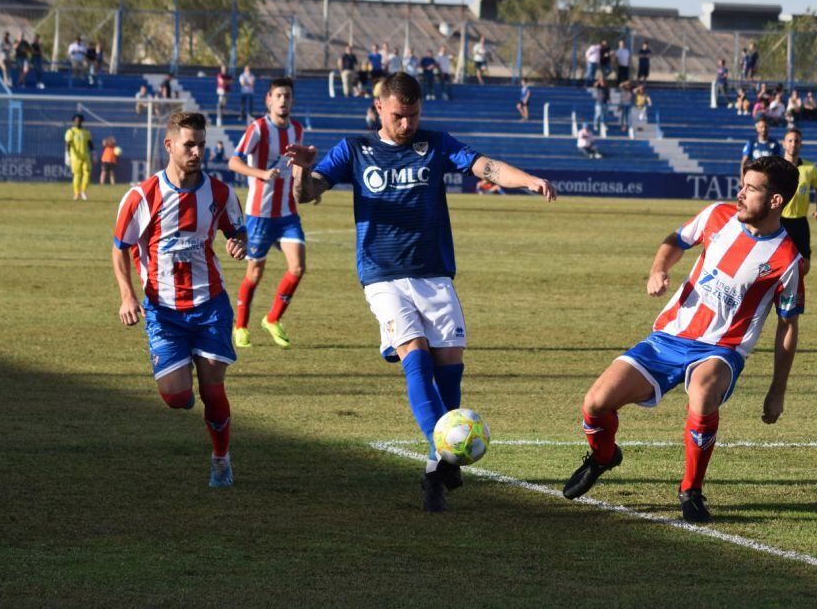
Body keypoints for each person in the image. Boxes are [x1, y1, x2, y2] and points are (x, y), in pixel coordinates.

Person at [287, 72, 557, 512]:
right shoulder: (354, 150)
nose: (406, 124)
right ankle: (449, 457)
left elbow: (486, 166)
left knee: (449, 367)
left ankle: (435, 472)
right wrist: (300, 169)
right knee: (414, 355)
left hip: (434, 276)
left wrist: (527, 179)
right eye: (398, 116)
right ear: (379, 109)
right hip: (382, 276)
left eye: (412, 116)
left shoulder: (434, 144)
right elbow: (307, 192)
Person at [562, 155, 802, 522]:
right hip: (668, 338)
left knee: (704, 391)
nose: (740, 194)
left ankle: (691, 490)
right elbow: (676, 240)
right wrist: (658, 270)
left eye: (751, 189)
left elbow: (788, 325)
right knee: (595, 403)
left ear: (775, 201)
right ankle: (604, 456)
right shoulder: (717, 216)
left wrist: (778, 390)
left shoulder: (787, 259)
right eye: (742, 185)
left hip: (722, 349)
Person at [112, 110, 247, 488]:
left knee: (213, 388)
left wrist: (239, 242)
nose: (197, 151)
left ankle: (221, 459)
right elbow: (119, 248)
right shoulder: (142, 196)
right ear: (169, 145)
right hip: (163, 311)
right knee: (175, 397)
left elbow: (237, 231)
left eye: (202, 144)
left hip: (209, 306)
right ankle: (183, 387)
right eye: (190, 144)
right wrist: (127, 296)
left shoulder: (219, 192)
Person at [228, 77, 307, 350]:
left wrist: (305, 185)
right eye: (278, 96)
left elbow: (296, 166)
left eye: (287, 96)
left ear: (293, 101)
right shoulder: (258, 128)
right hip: (259, 215)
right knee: (254, 273)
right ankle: (240, 327)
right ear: (269, 100)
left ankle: (272, 319)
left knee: (297, 267)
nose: (283, 100)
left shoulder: (297, 129)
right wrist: (261, 173)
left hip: (287, 214)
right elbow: (234, 161)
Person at [780, 128, 817, 313]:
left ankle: (791, 288)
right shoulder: (777, 167)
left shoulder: (809, 168)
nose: (793, 144)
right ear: (784, 144)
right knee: (778, 261)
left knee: (804, 265)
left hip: (800, 222)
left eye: (796, 141)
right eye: (790, 140)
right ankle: (778, 293)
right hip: (780, 222)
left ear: (801, 144)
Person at [64, 113, 93, 201]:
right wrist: (67, 155)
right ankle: (76, 193)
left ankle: (83, 191)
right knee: (77, 175)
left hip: (86, 156)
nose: (78, 122)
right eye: (76, 121)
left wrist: (94, 152)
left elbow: (89, 143)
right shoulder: (71, 132)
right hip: (75, 157)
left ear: (82, 121)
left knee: (87, 174)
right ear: (73, 121)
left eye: (79, 120)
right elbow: (68, 143)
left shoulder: (86, 132)